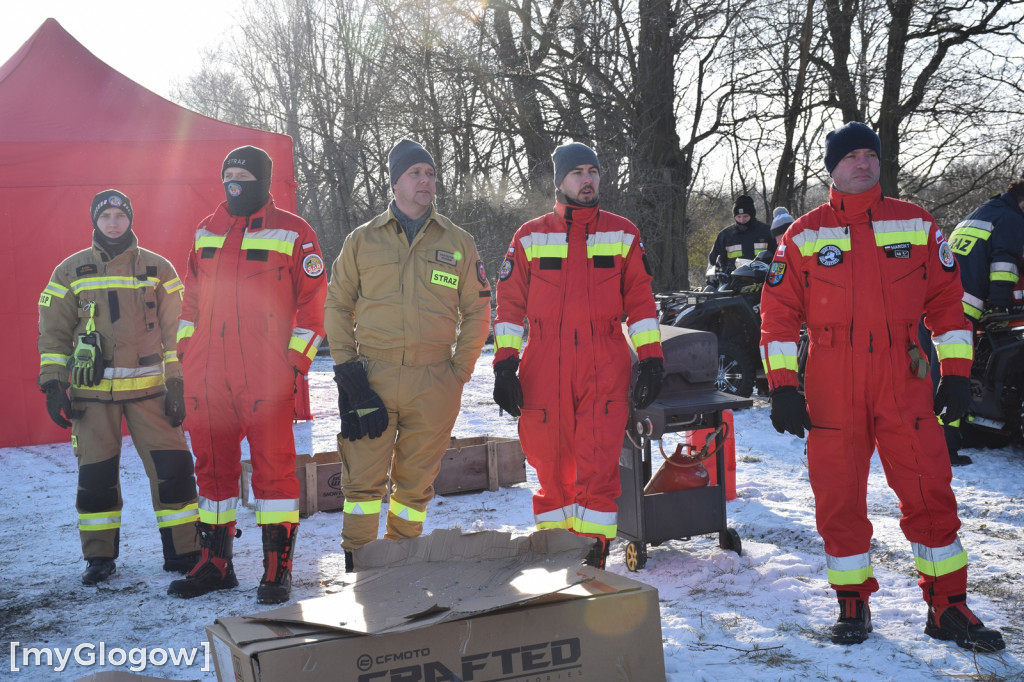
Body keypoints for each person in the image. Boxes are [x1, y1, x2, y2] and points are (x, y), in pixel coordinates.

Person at [760, 121, 1005, 652]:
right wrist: (782, 385)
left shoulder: (916, 223)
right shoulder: (803, 234)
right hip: (831, 379)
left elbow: (949, 302)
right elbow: (777, 314)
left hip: (904, 375)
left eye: (870, 154)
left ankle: (948, 607)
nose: (863, 163)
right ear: (832, 168)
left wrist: (957, 373)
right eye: (851, 157)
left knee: (929, 487)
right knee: (838, 494)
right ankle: (852, 601)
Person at [491, 141, 664, 570]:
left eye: (593, 172)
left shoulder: (623, 233)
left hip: (603, 365)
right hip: (543, 367)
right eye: (577, 173)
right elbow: (510, 305)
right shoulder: (530, 236)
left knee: (598, 470)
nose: (587, 181)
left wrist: (652, 357)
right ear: (560, 182)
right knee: (550, 471)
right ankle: (555, 561)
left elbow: (641, 302)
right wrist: (505, 364)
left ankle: (593, 564)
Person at [168, 146, 327, 604]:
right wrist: (185, 357)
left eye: (243, 174)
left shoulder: (295, 233)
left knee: (274, 475)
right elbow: (191, 303)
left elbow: (315, 310)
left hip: (265, 377)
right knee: (212, 473)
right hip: (207, 376)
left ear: (263, 180)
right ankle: (215, 564)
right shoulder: (206, 231)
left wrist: (291, 365)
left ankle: (277, 569)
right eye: (228, 174)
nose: (234, 182)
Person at [325, 139, 491, 570]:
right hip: (372, 379)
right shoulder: (362, 241)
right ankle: (358, 569)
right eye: (416, 173)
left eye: (431, 174)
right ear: (395, 181)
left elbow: (478, 310)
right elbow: (337, 306)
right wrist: (349, 373)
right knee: (362, 486)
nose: (426, 181)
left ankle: (398, 567)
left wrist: (459, 370)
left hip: (435, 381)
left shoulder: (458, 242)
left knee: (414, 489)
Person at [38, 189, 200, 586]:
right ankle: (99, 559)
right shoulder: (70, 271)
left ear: (130, 218)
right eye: (106, 215)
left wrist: (178, 382)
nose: (113, 221)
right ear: (96, 220)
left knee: (175, 472)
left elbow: (177, 332)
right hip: (92, 398)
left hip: (152, 394)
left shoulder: (158, 269)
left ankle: (184, 551)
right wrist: (54, 385)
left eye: (119, 214)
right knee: (95, 479)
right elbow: (53, 334)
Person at [708, 194, 776, 273]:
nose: (742, 220)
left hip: (761, 280)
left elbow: (778, 258)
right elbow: (713, 262)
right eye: (738, 216)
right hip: (732, 281)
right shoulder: (725, 235)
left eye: (745, 216)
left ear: (752, 215)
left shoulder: (767, 232)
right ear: (734, 216)